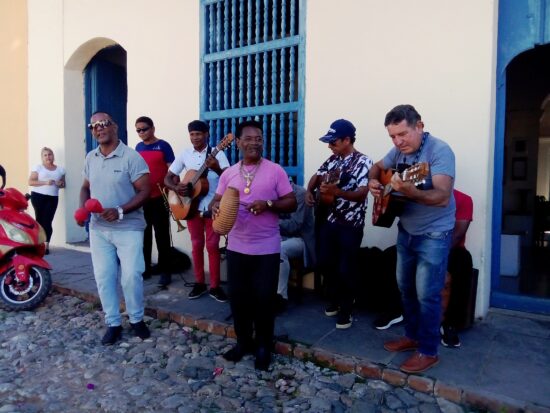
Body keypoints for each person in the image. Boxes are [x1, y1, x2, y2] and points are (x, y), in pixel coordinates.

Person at [368, 104, 455, 374]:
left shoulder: (440, 152)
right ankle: (412, 336)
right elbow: (377, 168)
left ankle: (428, 351)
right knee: (405, 288)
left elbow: (441, 197)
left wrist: (409, 190)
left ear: (419, 126)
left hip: (435, 231)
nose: (397, 142)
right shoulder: (398, 152)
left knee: (427, 294)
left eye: (403, 134)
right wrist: (374, 182)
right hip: (407, 228)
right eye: (392, 136)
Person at [212, 119, 296, 371]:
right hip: (237, 247)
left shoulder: (275, 170)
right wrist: (215, 207)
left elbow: (291, 202)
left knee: (263, 300)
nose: (254, 143)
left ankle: (263, 346)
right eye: (248, 139)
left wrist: (269, 204)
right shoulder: (228, 174)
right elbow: (215, 200)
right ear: (237, 143)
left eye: (258, 139)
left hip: (266, 249)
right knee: (238, 299)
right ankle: (243, 343)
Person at [78, 111, 151, 346]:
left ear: (115, 127)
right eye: (94, 126)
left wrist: (120, 210)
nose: (99, 128)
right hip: (99, 229)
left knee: (131, 276)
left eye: (104, 124)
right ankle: (113, 323)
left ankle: (137, 319)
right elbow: (85, 188)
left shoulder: (131, 157)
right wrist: (82, 210)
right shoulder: (91, 157)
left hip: (128, 227)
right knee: (104, 277)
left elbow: (144, 191)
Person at [373, 189, 474, 348]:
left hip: (450, 248)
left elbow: (459, 233)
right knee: (388, 256)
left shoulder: (464, 199)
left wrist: (434, 254)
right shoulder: (417, 196)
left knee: (463, 264)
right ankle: (395, 310)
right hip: (418, 244)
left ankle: (450, 323)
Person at [305, 119, 373, 330]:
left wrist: (338, 193)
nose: (330, 146)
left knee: (346, 267)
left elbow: (362, 194)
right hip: (329, 219)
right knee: (325, 261)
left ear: (346, 140)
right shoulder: (332, 159)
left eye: (333, 142)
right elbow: (317, 176)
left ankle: (346, 307)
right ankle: (334, 297)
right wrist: (309, 191)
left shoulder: (364, 162)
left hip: (350, 224)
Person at [164, 120, 229, 302]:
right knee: (196, 245)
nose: (195, 138)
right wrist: (177, 188)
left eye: (198, 134)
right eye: (192, 134)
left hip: (212, 207)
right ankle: (199, 283)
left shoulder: (219, 153)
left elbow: (229, 178)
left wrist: (215, 166)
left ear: (207, 134)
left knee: (212, 247)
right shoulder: (185, 154)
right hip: (191, 207)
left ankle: (215, 286)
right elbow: (168, 177)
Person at [135, 116, 175, 287]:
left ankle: (166, 271)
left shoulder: (163, 145)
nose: (141, 133)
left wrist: (173, 192)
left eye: (144, 129)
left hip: (160, 197)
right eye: (138, 130)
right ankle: (145, 268)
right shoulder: (138, 147)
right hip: (143, 197)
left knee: (162, 235)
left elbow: (173, 170)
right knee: (144, 235)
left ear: (153, 128)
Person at [276, 180, 316, 312]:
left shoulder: (300, 194)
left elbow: (294, 225)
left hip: (301, 239)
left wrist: (272, 222)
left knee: (280, 250)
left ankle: (281, 297)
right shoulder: (273, 194)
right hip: (281, 236)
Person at [28, 147, 66, 254]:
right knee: (39, 221)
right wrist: (45, 182)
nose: (48, 157)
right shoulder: (38, 167)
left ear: (53, 156)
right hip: (38, 196)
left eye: (49, 154)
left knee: (48, 221)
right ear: (42, 157)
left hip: (53, 198)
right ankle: (37, 245)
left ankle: (46, 246)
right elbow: (30, 181)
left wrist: (60, 184)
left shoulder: (61, 169)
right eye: (45, 155)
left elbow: (63, 184)